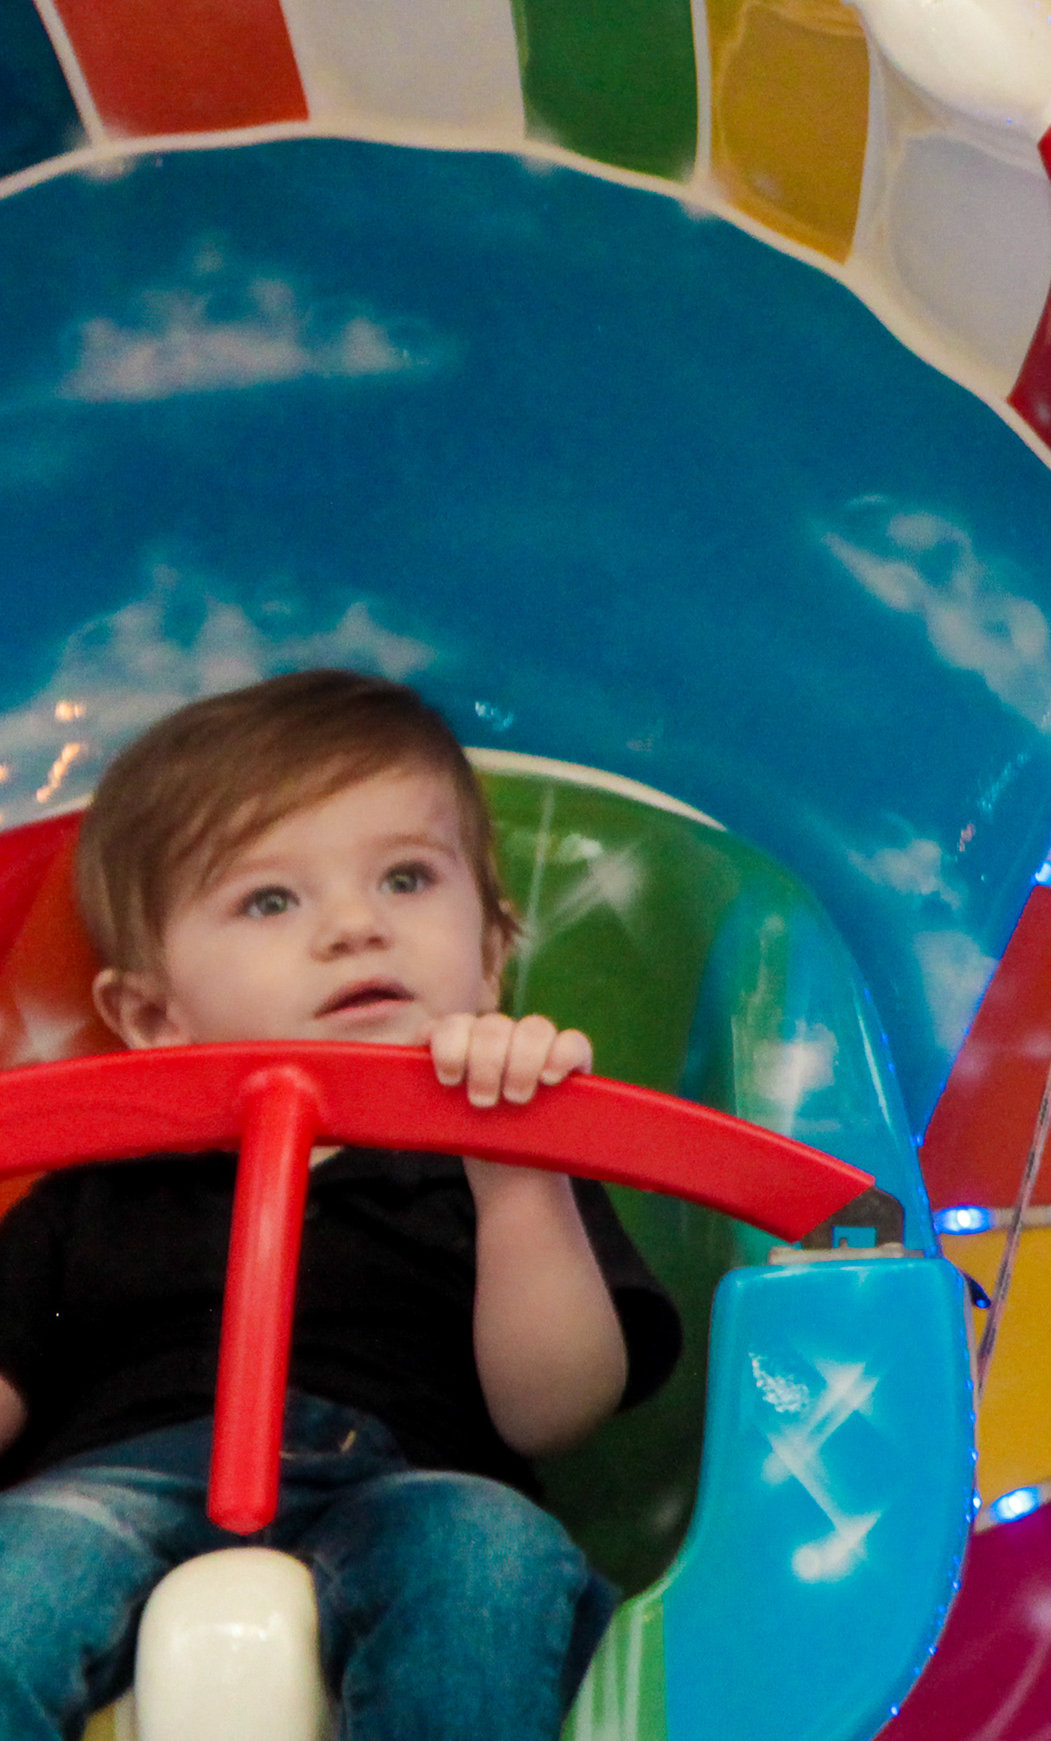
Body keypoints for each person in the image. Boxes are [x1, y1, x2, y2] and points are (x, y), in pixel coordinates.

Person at [0, 670, 681, 1741]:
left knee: (489, 1552)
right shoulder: (96, 1189)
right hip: (115, 1488)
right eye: (271, 900)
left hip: (414, 1483)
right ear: (151, 1012)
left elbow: (555, 1412)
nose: (357, 926)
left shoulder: (493, 1165)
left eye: (407, 879)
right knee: (14, 1568)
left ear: (493, 953)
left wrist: (515, 1166)